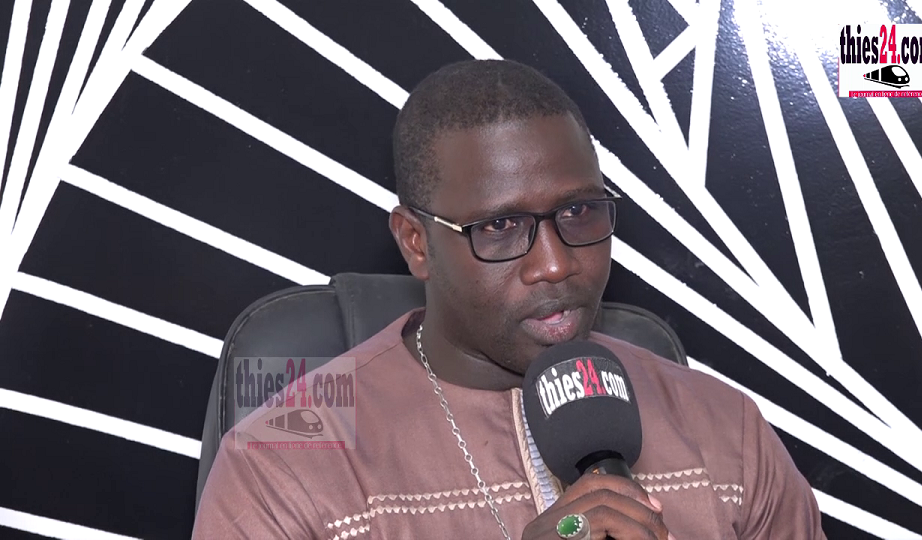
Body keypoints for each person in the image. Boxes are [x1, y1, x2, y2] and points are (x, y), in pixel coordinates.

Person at [193, 59, 826, 539]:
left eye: (577, 212)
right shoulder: (280, 461)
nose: (555, 263)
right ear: (416, 242)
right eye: (499, 226)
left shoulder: (725, 430)